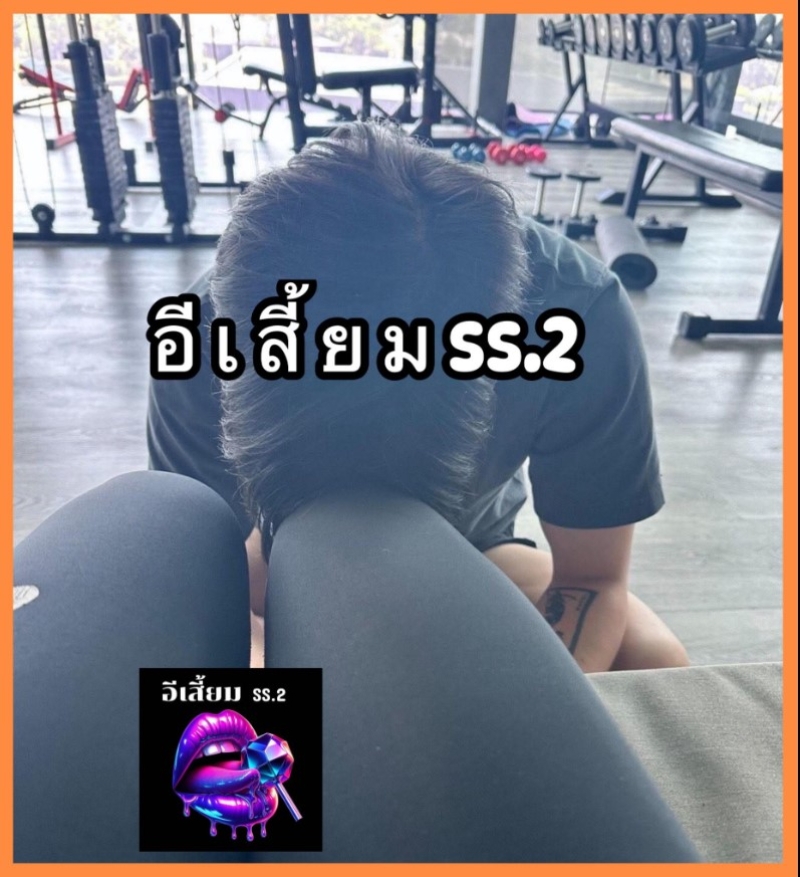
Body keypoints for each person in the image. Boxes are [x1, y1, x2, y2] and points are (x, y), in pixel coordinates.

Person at [147, 121, 689, 674]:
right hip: (276, 556)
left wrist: (539, 717)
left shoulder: (576, 315)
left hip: (464, 542)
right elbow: (200, 585)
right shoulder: (207, 330)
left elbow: (590, 580)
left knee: (651, 659)